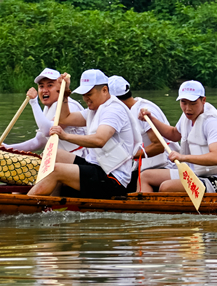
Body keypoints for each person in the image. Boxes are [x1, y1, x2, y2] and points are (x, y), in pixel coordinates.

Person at [28, 69, 142, 198]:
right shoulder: (93, 110)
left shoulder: (113, 111)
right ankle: (50, 202)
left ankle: (25, 204)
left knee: (55, 170)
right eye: (84, 94)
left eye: (90, 93)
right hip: (98, 167)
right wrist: (64, 95)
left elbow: (100, 140)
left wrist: (65, 136)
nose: (86, 98)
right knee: (53, 153)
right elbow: (65, 118)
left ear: (104, 90)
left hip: (113, 179)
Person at [138, 81, 217, 193]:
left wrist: (183, 157)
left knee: (166, 187)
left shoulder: (211, 122)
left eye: (193, 103)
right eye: (184, 102)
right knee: (145, 176)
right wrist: (151, 119)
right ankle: (146, 209)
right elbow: (174, 134)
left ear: (203, 100)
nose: (188, 108)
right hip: (193, 172)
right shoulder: (186, 116)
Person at [4, 68, 88, 156]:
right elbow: (38, 142)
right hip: (61, 160)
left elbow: (48, 130)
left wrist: (34, 102)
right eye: (41, 86)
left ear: (60, 87)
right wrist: (7, 148)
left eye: (50, 85)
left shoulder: (70, 106)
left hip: (80, 160)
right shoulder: (48, 108)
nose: (44, 90)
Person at [107, 76, 175, 177]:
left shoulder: (143, 111)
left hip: (166, 166)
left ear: (115, 100)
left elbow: (159, 146)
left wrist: (127, 157)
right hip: (145, 167)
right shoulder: (128, 110)